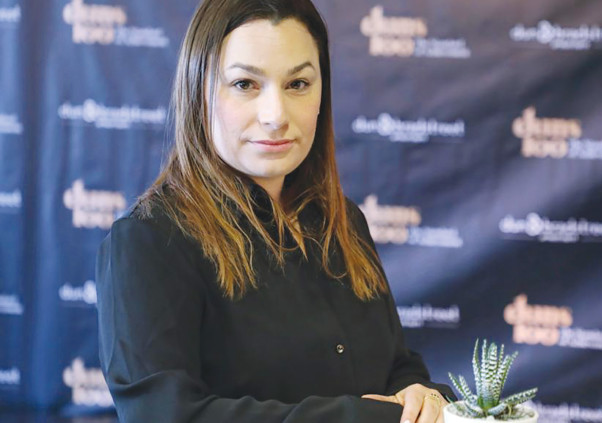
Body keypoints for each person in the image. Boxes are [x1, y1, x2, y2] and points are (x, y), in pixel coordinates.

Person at [95, 1, 455, 422]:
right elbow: (164, 416)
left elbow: (397, 368)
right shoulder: (150, 240)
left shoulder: (344, 222)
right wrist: (361, 417)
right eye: (245, 84)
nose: (275, 116)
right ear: (198, 90)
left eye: (297, 84)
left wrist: (423, 397)